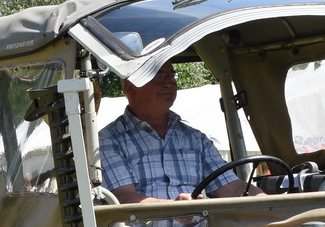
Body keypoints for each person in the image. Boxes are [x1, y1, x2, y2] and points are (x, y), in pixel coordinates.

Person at [99, 61, 248, 203]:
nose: (170, 84)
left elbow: (232, 188)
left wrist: (267, 202)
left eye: (172, 76)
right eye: (159, 77)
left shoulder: (195, 139)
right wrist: (174, 207)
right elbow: (122, 199)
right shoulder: (108, 140)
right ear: (131, 86)